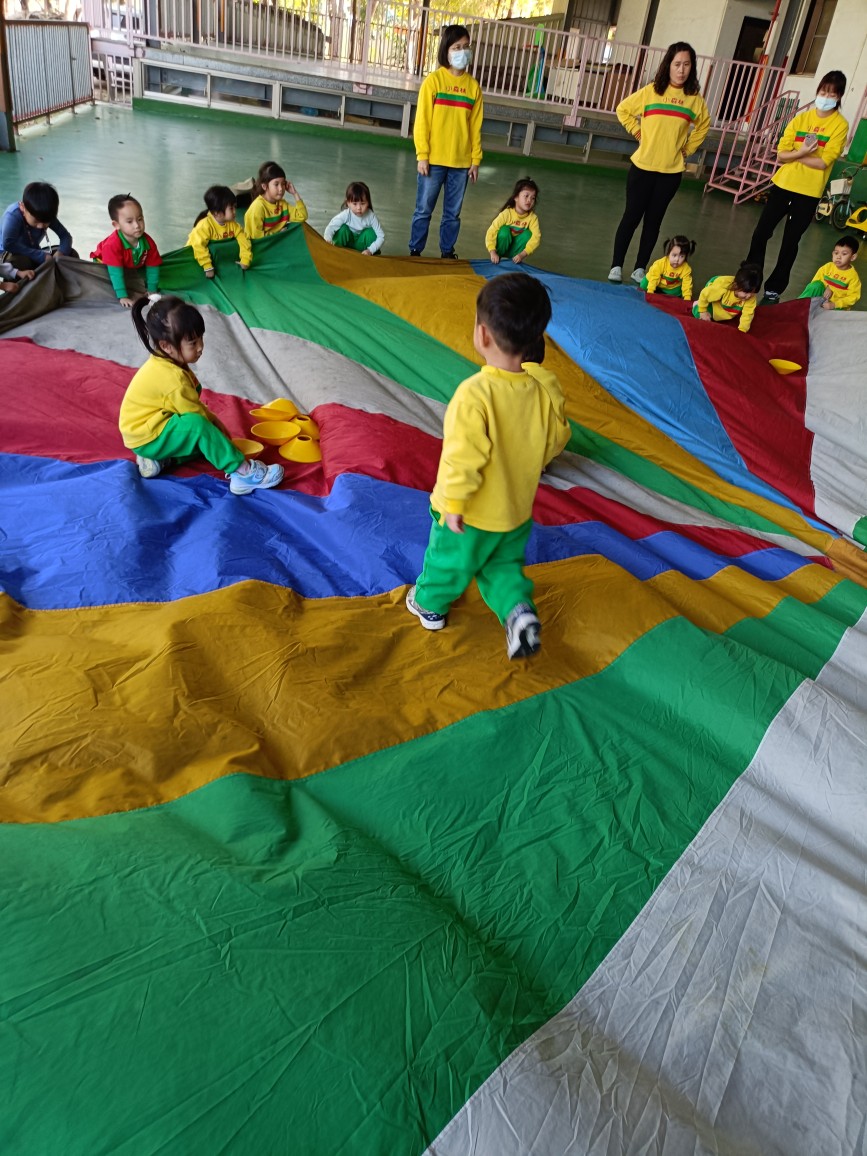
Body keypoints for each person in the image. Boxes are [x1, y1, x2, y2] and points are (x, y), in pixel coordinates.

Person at [405, 272, 571, 659]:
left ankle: (429, 605)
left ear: (482, 335)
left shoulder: (474, 395)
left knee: (448, 561)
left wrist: (454, 504)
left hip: (472, 512)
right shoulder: (543, 389)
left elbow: (462, 456)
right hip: (515, 511)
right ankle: (518, 612)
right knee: (502, 567)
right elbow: (556, 438)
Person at [119, 296, 285, 495]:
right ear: (166, 346)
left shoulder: (168, 361)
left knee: (208, 440)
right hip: (147, 437)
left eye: (200, 339)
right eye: (192, 343)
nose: (200, 347)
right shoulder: (172, 378)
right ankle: (242, 473)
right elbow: (197, 419)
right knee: (199, 429)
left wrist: (215, 429)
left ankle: (162, 460)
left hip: (154, 428)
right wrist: (216, 427)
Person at [609, 42, 709, 286]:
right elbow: (623, 109)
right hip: (642, 168)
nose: (681, 70)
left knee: (653, 222)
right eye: (677, 64)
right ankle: (616, 265)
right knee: (631, 217)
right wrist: (637, 132)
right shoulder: (651, 91)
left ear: (692, 68)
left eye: (687, 65)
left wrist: (687, 150)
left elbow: (703, 125)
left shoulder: (694, 100)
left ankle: (639, 268)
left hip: (670, 173)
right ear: (668, 65)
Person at [745, 71, 848, 304]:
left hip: (808, 192)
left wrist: (796, 155)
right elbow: (781, 154)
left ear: (839, 96)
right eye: (823, 92)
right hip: (783, 184)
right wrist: (802, 153)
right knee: (761, 233)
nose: (825, 97)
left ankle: (773, 290)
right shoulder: (802, 118)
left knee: (790, 242)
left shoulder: (839, 125)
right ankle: (749, 281)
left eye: (831, 93)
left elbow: (823, 162)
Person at [409, 24, 484, 259]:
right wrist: (422, 155)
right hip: (433, 161)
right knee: (423, 209)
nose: (462, 52)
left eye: (466, 46)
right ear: (446, 50)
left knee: (452, 214)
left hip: (461, 164)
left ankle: (447, 253)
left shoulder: (473, 88)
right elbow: (422, 122)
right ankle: (415, 251)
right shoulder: (434, 82)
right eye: (456, 47)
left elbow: (475, 127)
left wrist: (475, 160)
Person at [91, 195, 161, 308]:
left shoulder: (148, 242)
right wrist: (122, 296)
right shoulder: (112, 245)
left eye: (140, 219)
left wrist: (152, 291)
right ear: (116, 225)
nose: (137, 225)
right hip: (105, 265)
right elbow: (115, 273)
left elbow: (153, 268)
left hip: (129, 264)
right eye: (129, 221)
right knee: (107, 281)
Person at [0, 181, 76, 270]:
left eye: (45, 222)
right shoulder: (13, 215)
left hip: (32, 252)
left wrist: (61, 253)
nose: (41, 226)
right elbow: (9, 244)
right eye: (36, 220)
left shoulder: (46, 214)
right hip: (6, 255)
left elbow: (65, 236)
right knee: (23, 262)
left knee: (71, 254)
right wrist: (40, 256)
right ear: (23, 207)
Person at [187, 186, 252, 278]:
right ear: (217, 213)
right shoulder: (204, 226)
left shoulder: (234, 225)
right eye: (231, 208)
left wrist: (245, 260)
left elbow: (244, 241)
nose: (235, 211)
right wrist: (207, 267)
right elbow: (198, 246)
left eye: (235, 207)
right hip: (196, 261)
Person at [244, 161, 308, 240]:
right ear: (264, 186)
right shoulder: (257, 207)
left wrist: (295, 193)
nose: (281, 189)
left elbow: (302, 216)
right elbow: (257, 239)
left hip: (275, 242)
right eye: (276, 184)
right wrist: (277, 234)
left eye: (283, 184)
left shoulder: (282, 204)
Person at [485, 178, 541, 265]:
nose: (529, 200)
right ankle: (498, 257)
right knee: (504, 231)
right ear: (516, 197)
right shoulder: (506, 213)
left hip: (516, 253)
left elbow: (536, 238)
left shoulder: (533, 218)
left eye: (533, 198)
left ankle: (514, 260)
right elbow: (491, 231)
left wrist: (523, 254)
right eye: (526, 196)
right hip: (500, 249)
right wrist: (492, 251)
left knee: (527, 234)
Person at [693, 264, 762, 333]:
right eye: (746, 292)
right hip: (713, 301)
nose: (749, 296)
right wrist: (702, 310)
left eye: (753, 292)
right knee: (701, 316)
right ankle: (697, 304)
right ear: (736, 286)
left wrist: (742, 331)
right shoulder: (722, 288)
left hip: (726, 308)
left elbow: (748, 314)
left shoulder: (750, 297)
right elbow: (705, 294)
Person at [799, 235, 861, 309]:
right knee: (815, 285)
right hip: (822, 298)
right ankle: (797, 305)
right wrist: (827, 287)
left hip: (837, 306)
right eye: (836, 253)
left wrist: (835, 304)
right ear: (832, 253)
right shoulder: (827, 267)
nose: (838, 257)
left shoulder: (853, 276)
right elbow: (815, 281)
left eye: (844, 254)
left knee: (838, 311)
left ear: (853, 257)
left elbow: (853, 297)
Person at [324, 182, 385, 254]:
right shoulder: (346, 214)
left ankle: (370, 255)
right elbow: (331, 227)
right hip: (347, 244)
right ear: (348, 203)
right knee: (343, 229)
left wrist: (370, 250)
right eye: (355, 204)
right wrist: (328, 240)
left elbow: (381, 236)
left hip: (363, 248)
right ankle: (336, 252)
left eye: (362, 203)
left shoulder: (371, 216)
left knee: (370, 233)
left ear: (368, 203)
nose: (359, 208)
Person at [640, 234, 696, 299]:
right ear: (668, 253)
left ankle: (663, 291)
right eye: (674, 255)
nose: (677, 259)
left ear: (686, 256)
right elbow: (654, 278)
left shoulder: (686, 269)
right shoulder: (660, 264)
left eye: (681, 256)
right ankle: (655, 288)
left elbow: (687, 284)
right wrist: (650, 291)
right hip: (656, 281)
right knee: (643, 285)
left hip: (670, 286)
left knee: (677, 294)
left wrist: (687, 297)